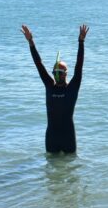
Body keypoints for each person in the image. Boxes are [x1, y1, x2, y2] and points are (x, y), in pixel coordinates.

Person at [21, 24, 89, 154]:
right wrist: (30, 41)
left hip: (68, 137)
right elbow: (38, 64)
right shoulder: (49, 85)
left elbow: (79, 66)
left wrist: (81, 42)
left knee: (70, 170)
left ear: (66, 73)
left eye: (60, 72)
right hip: (52, 137)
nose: (57, 74)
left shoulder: (72, 88)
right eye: (55, 72)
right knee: (51, 170)